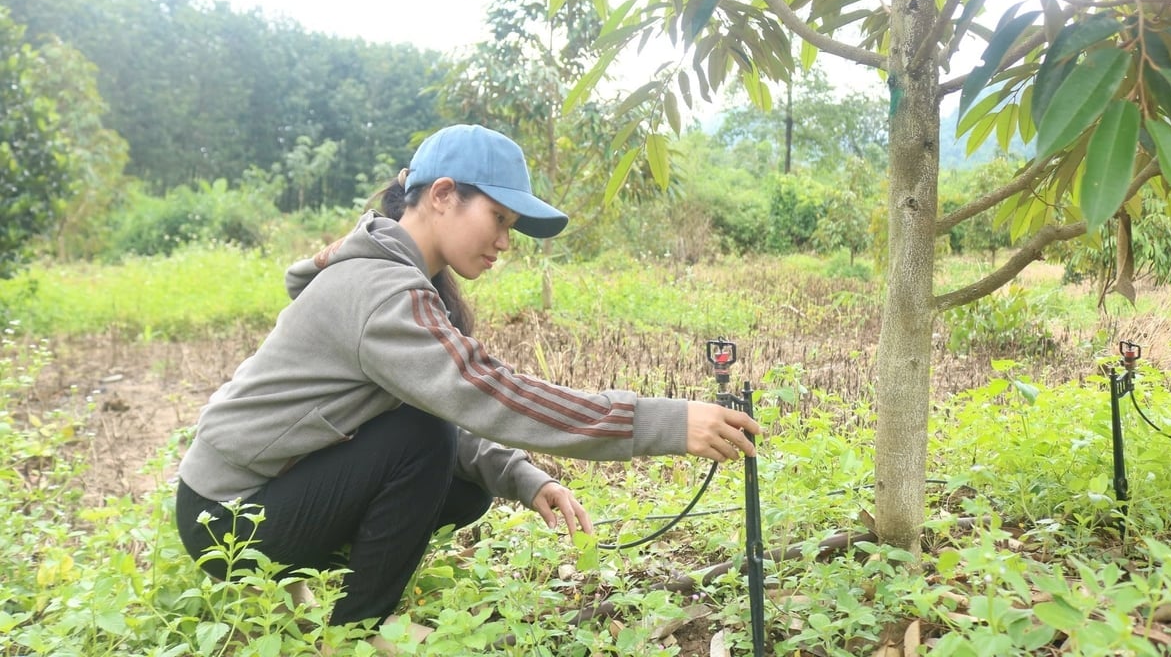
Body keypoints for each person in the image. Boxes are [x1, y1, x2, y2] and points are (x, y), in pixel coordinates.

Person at [174, 124, 759, 650]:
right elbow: (485, 392)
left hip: (265, 489)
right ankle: (352, 634)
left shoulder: (399, 279)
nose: (506, 241)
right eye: (499, 218)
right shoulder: (383, 292)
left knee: (464, 484)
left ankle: (306, 590)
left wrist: (523, 478)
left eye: (511, 227)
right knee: (424, 439)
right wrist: (665, 422)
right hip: (226, 516)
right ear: (443, 194)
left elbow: (452, 405)